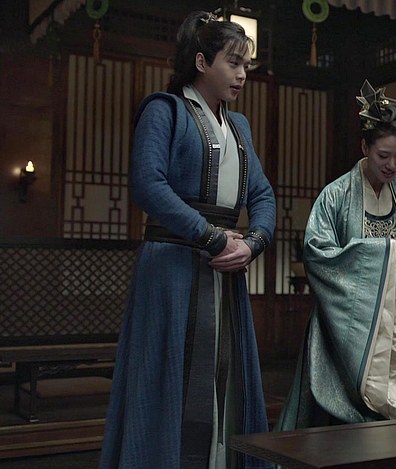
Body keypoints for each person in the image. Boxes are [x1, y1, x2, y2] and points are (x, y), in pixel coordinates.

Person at [100, 11, 275, 469]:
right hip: (173, 267)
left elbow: (262, 195)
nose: (242, 74)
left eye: (246, 65)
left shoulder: (240, 127)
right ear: (201, 61)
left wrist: (252, 243)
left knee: (224, 377)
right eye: (233, 63)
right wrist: (213, 237)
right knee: (167, 378)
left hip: (225, 267)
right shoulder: (164, 110)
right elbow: (148, 185)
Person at [277, 80, 396, 430]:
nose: (392, 165)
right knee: (337, 431)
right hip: (346, 328)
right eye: (383, 156)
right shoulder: (336, 196)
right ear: (365, 147)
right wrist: (380, 265)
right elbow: (318, 254)